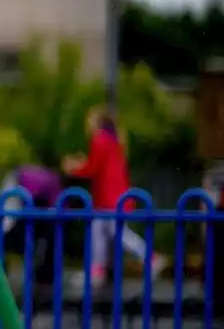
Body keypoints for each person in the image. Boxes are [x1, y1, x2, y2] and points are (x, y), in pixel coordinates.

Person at [63, 106, 166, 287]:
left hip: (109, 197)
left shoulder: (100, 140)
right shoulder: (111, 140)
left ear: (97, 122)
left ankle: (149, 258)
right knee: (103, 232)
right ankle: (99, 271)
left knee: (114, 233)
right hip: (114, 196)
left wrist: (74, 167)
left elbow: (92, 169)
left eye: (89, 121)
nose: (87, 125)